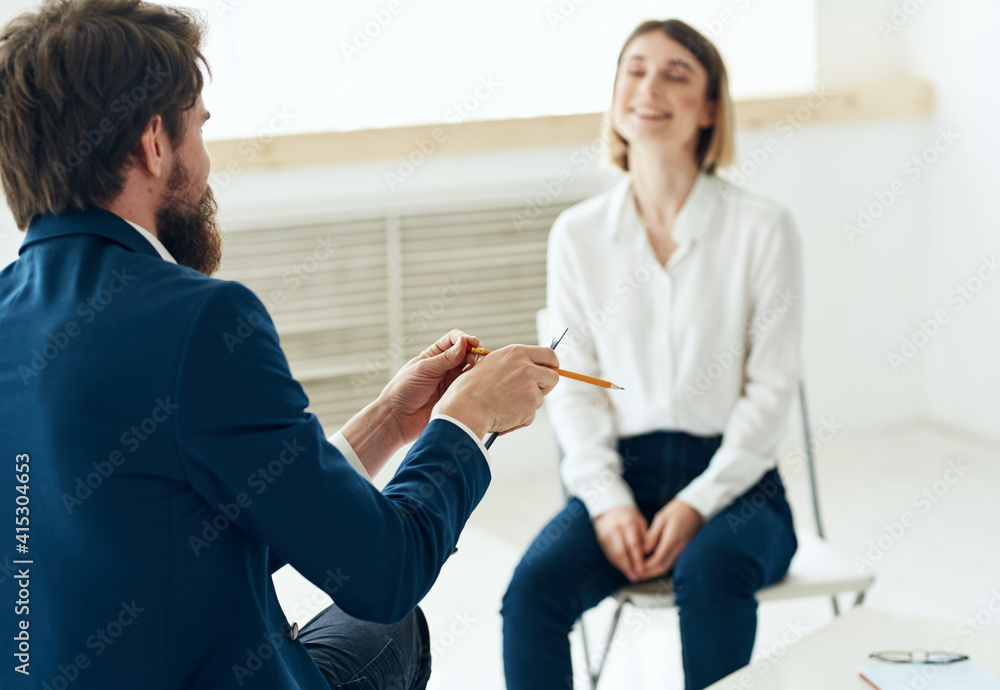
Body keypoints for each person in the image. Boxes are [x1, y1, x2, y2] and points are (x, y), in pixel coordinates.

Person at [0, 1, 559, 688]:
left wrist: (390, 421)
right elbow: (385, 572)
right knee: (394, 625)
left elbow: (195, 530)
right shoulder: (197, 321)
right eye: (201, 126)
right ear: (154, 143)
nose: (207, 158)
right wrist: (468, 418)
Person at [501, 19, 802, 690]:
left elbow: (773, 388)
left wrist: (699, 502)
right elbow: (575, 389)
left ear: (710, 109)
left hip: (741, 488)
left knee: (712, 570)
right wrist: (607, 501)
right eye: (634, 70)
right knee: (531, 593)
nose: (649, 87)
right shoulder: (576, 235)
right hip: (622, 481)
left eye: (676, 74)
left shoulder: (763, 228)